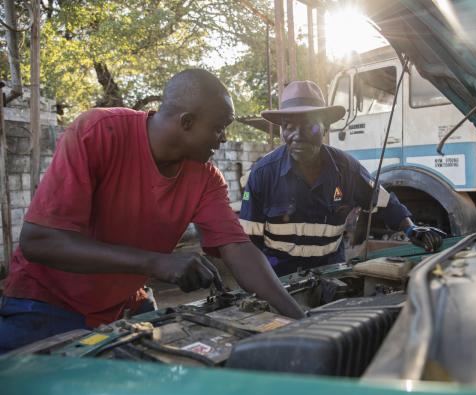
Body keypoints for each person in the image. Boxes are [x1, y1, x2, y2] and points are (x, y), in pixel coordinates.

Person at [0, 69, 304, 354]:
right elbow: (39, 241)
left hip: (123, 306)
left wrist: (300, 321)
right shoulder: (98, 132)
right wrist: (156, 263)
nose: (223, 139)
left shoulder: (206, 178)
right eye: (218, 128)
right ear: (186, 122)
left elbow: (238, 248)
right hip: (44, 304)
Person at [239, 81, 444, 276]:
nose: (298, 135)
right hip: (280, 277)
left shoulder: (347, 169)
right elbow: (249, 243)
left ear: (326, 128)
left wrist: (411, 228)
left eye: (309, 126)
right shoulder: (262, 174)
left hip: (332, 272)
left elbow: (384, 202)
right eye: (289, 127)